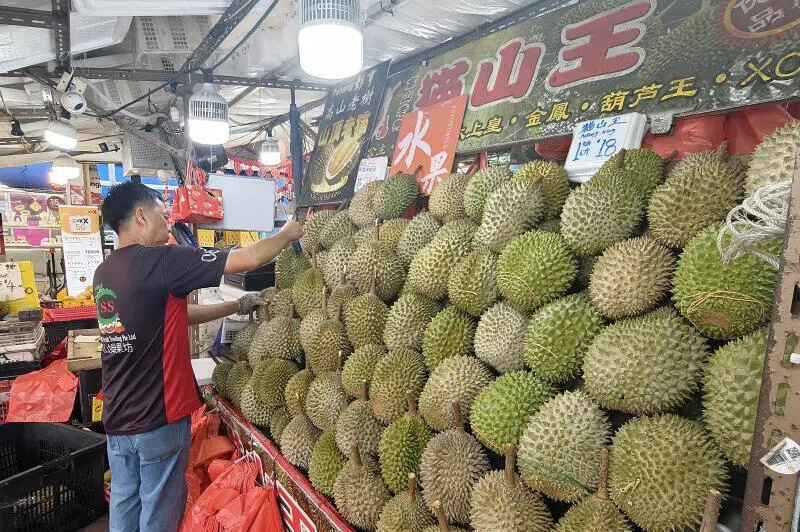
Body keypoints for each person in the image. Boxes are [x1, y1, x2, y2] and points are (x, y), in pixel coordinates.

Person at [94, 182, 303, 532]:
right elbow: (249, 258)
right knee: (159, 512)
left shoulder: (106, 272)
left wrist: (236, 304)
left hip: (118, 418)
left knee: (126, 504)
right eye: (164, 216)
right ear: (141, 216)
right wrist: (289, 231)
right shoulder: (162, 260)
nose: (168, 227)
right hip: (157, 418)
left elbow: (169, 317)